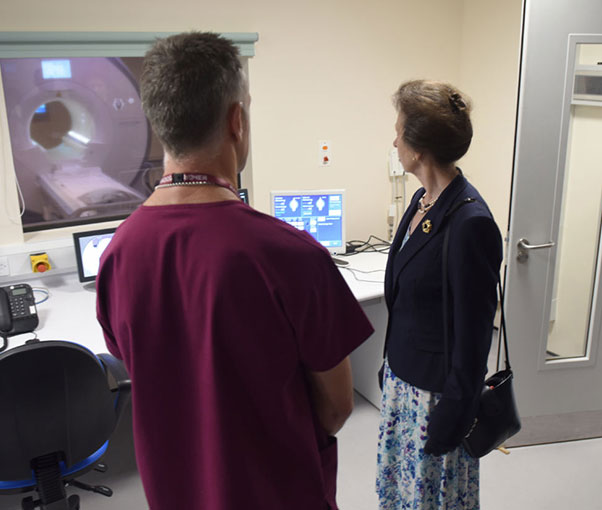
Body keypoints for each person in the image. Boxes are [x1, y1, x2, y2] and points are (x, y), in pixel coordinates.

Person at [95, 32, 374, 510]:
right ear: (237, 121)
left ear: (160, 124)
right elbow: (336, 408)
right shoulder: (291, 254)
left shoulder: (118, 254)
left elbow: (143, 364)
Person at [376, 80, 503, 509]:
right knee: (401, 497)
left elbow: (475, 334)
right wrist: (389, 364)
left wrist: (455, 410)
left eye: (398, 131)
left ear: (418, 147)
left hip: (437, 398)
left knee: (433, 500)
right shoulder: (423, 201)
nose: (393, 140)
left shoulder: (469, 223)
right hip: (403, 385)